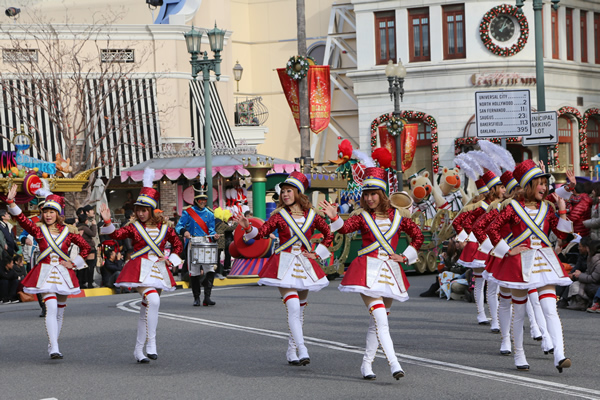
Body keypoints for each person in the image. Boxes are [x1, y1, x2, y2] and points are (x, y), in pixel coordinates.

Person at [320, 167, 424, 380]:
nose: (369, 198)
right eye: (366, 194)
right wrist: (334, 218)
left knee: (377, 322)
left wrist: (405, 256)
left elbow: (418, 235)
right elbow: (345, 228)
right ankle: (394, 363)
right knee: (380, 318)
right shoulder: (361, 217)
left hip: (390, 272)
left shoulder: (399, 217)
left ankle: (366, 364)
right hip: (366, 271)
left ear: (382, 194)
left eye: (373, 194)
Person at [235, 171, 333, 367]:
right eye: (283, 192)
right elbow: (262, 233)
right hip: (284, 265)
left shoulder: (313, 215)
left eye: (289, 191)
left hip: (305, 265)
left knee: (300, 311)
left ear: (298, 193)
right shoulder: (279, 216)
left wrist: (318, 253)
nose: (285, 194)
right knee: (294, 307)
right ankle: (303, 348)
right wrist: (248, 228)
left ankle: (291, 350)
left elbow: (328, 234)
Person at [485, 159, 572, 373]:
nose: (545, 187)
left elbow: (561, 236)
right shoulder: (513, 208)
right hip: (519, 263)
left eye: (545, 183)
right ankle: (519, 353)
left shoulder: (548, 208)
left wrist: (562, 212)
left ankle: (560, 355)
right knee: (520, 311)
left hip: (544, 261)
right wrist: (508, 250)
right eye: (540, 183)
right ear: (530, 185)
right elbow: (492, 229)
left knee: (551, 309)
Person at [100, 168, 183, 363]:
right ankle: (152, 343)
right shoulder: (133, 227)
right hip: (139, 268)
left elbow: (178, 245)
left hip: (159, 269)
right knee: (153, 301)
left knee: (147, 309)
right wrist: (107, 221)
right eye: (138, 209)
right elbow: (116, 235)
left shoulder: (165, 228)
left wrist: (170, 258)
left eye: (144, 210)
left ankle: (139, 351)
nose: (141, 213)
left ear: (153, 210)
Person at [5, 185, 91, 359]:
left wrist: (73, 263)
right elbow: (22, 219)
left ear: (58, 214)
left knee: (59, 310)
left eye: (52, 211)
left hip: (63, 274)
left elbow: (86, 247)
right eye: (45, 211)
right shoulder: (38, 229)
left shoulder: (68, 232)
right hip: (44, 272)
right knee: (50, 306)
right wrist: (11, 202)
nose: (48, 215)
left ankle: (53, 343)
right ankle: (54, 347)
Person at [175, 188, 220, 307]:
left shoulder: (210, 214)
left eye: (205, 199)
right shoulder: (188, 212)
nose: (203, 201)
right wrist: (184, 231)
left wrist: (214, 236)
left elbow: (211, 229)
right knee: (194, 271)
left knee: (210, 269)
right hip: (193, 242)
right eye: (200, 199)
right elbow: (178, 227)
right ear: (195, 200)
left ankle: (207, 297)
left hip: (206, 242)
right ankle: (196, 298)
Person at [76, 212, 98, 289]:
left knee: (82, 266)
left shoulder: (78, 227)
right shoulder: (84, 228)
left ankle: (81, 282)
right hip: (89, 248)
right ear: (85, 220)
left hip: (81, 249)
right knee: (90, 266)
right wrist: (94, 225)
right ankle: (90, 283)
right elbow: (93, 234)